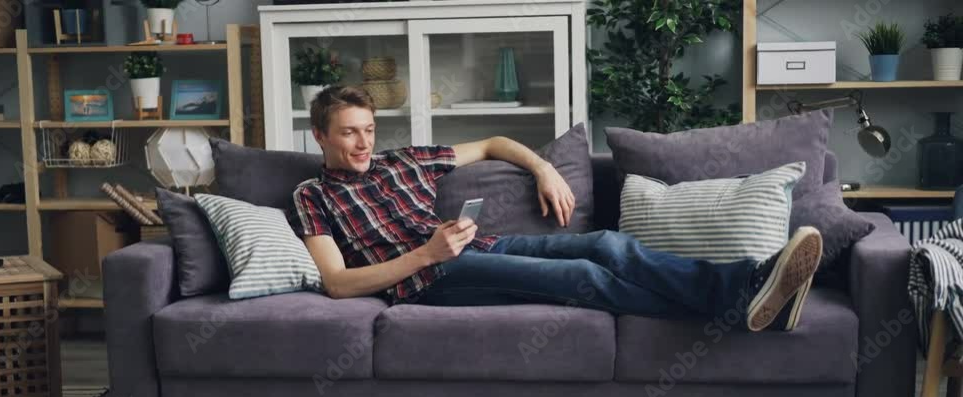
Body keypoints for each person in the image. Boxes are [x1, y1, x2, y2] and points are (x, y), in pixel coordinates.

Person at [291, 86, 823, 332]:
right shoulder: (312, 195)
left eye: (368, 130)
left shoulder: (405, 160)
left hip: (480, 245)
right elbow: (337, 283)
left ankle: (749, 285)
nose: (363, 143)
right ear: (319, 136)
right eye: (349, 133)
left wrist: (544, 168)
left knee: (607, 244)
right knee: (585, 278)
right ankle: (743, 298)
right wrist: (427, 255)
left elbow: (495, 142)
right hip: (428, 279)